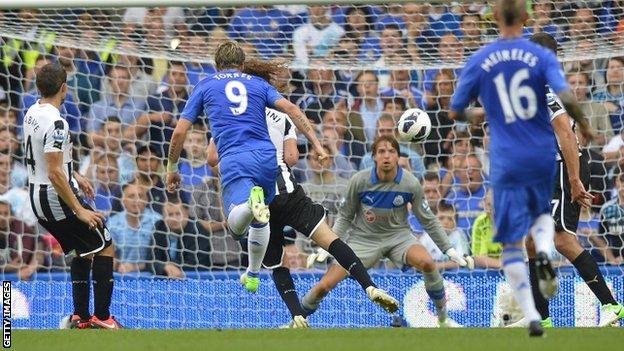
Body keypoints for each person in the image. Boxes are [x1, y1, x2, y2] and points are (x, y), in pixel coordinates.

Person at [206, 60, 400, 327]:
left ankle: (297, 314)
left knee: (276, 263)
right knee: (331, 241)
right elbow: (292, 157)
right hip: (286, 191)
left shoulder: (229, 117)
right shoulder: (281, 115)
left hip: (257, 195)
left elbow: (212, 158)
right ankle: (369, 287)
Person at [448, 0, 594, 337]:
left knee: (514, 241)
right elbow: (565, 103)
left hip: (506, 158)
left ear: (495, 19)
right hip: (541, 156)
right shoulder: (540, 61)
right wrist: (583, 127)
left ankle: (532, 315)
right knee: (543, 227)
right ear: (526, 19)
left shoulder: (484, 59)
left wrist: (483, 115)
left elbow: (457, 112)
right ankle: (545, 256)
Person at [166, 41, 328, 293]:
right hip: (266, 160)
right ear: (242, 66)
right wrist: (317, 145)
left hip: (234, 158)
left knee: (236, 224)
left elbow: (179, 133)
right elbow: (292, 109)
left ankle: (248, 206)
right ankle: (252, 274)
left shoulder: (206, 85)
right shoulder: (259, 84)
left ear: (216, 66)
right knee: (259, 220)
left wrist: (172, 167)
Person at [511, 32, 624, 328]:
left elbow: (566, 135)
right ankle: (540, 317)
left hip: (563, 168)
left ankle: (612, 306)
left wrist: (574, 180)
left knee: (561, 239)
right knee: (532, 244)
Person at [301, 135, 473, 327]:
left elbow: (429, 220)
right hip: (363, 240)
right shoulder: (359, 181)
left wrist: (448, 250)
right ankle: (298, 317)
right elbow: (345, 217)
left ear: (398, 157)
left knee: (427, 263)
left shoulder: (410, 183)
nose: (387, 156)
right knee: (325, 285)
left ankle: (443, 319)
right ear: (373, 156)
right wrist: (327, 247)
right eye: (381, 151)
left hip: (398, 237)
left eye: (391, 151)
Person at [22, 63, 121, 329]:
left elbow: (48, 160)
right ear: (64, 87)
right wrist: (80, 209)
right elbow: (54, 172)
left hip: (37, 196)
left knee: (82, 250)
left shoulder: (32, 111)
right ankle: (103, 317)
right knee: (104, 242)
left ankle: (81, 317)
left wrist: (74, 173)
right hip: (54, 197)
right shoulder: (57, 122)